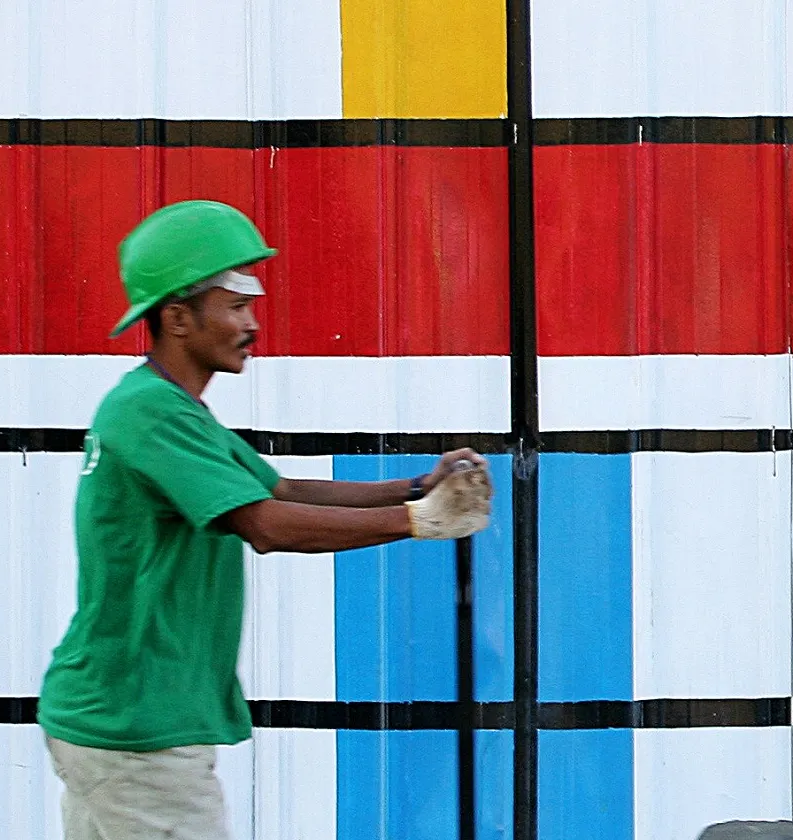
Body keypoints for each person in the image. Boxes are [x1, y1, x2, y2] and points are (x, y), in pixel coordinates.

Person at [36, 199, 493, 840]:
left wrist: (421, 485)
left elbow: (282, 488)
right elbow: (268, 524)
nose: (253, 323)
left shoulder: (174, 411)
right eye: (235, 304)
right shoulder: (150, 413)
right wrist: (419, 520)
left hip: (128, 719)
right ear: (177, 318)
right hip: (136, 731)